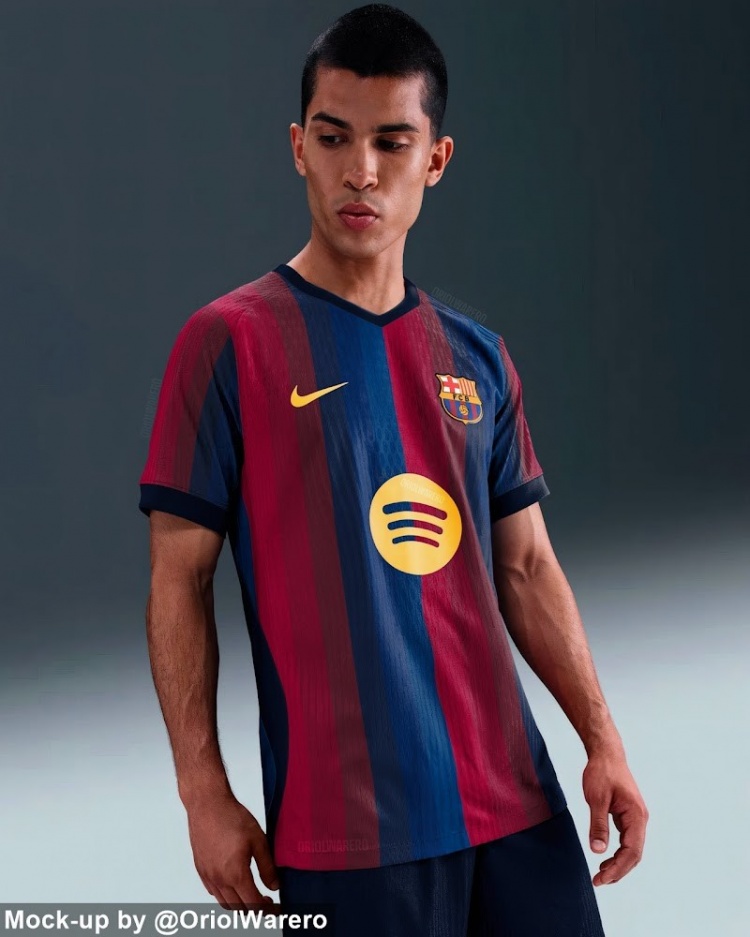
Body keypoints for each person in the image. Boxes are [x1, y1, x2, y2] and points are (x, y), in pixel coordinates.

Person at [138, 4, 648, 934]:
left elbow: (527, 565)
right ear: (298, 146)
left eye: (391, 142)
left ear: (435, 159)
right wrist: (202, 791)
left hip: (519, 808)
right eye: (334, 138)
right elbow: (180, 579)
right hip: (350, 837)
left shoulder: (476, 355)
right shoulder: (227, 345)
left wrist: (602, 739)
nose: (360, 171)